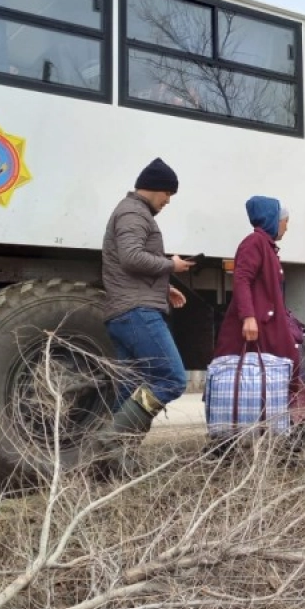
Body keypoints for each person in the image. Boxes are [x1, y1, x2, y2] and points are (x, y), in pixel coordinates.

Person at [210, 197, 305, 454]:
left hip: (268, 327)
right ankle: (292, 447)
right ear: (273, 220)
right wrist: (248, 316)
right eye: (285, 222)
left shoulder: (265, 245)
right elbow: (242, 279)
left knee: (294, 377)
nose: (286, 227)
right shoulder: (255, 243)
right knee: (296, 376)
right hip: (260, 329)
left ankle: (292, 444)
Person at [102, 158, 195, 460]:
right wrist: (171, 265)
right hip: (136, 312)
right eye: (168, 193)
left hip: (127, 309)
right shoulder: (132, 212)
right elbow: (130, 256)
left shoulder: (132, 212)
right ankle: (107, 442)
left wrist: (164, 286)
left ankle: (114, 463)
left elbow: (127, 264)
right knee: (171, 379)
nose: (168, 201)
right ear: (156, 188)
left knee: (129, 389)